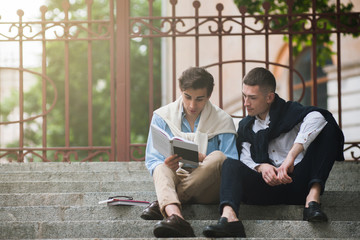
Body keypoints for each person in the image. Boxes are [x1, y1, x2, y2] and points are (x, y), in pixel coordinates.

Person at [203, 67, 345, 238]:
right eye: (244, 96)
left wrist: (291, 157)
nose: (246, 103)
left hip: (298, 183)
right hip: (266, 187)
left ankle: (313, 200)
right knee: (230, 164)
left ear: (269, 97)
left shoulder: (291, 111)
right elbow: (245, 158)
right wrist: (261, 167)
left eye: (252, 98)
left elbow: (318, 117)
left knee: (328, 127)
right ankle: (229, 219)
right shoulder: (246, 125)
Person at [142, 67, 238, 238]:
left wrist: (204, 158)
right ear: (181, 91)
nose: (192, 105)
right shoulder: (162, 117)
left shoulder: (222, 120)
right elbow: (152, 159)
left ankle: (166, 202)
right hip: (176, 175)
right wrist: (167, 163)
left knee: (219, 157)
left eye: (199, 99)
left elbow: (232, 165)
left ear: (209, 96)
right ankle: (176, 217)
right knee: (159, 167)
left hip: (208, 187)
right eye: (187, 97)